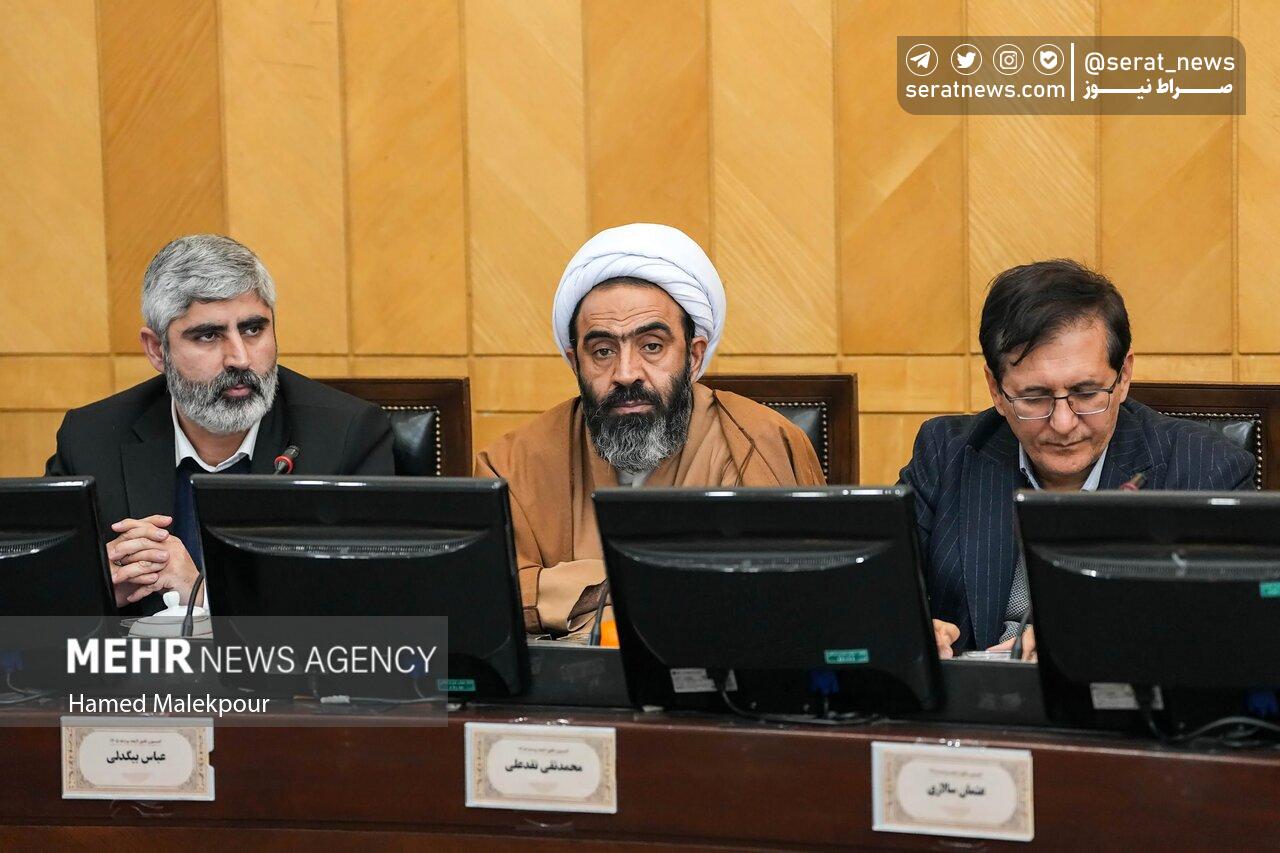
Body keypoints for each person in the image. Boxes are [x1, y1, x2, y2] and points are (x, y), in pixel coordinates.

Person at [475, 223, 828, 638]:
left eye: (652, 346)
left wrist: (567, 593)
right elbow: (482, 602)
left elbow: (779, 607)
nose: (626, 373)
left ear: (693, 357)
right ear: (575, 363)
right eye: (602, 351)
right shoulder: (512, 464)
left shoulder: (760, 445)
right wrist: (666, 584)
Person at [901, 259, 1254, 659]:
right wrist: (906, 629)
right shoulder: (946, 454)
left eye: (1086, 393)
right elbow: (881, 591)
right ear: (996, 390)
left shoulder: (1206, 470)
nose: (1063, 423)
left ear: (1123, 377)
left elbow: (1232, 634)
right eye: (1034, 397)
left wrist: (1088, 639)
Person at [46, 234, 394, 614]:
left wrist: (201, 594)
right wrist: (92, 590)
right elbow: (36, 601)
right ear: (157, 350)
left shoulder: (345, 437)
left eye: (253, 329)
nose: (239, 358)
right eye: (209, 335)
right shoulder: (91, 439)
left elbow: (369, 610)